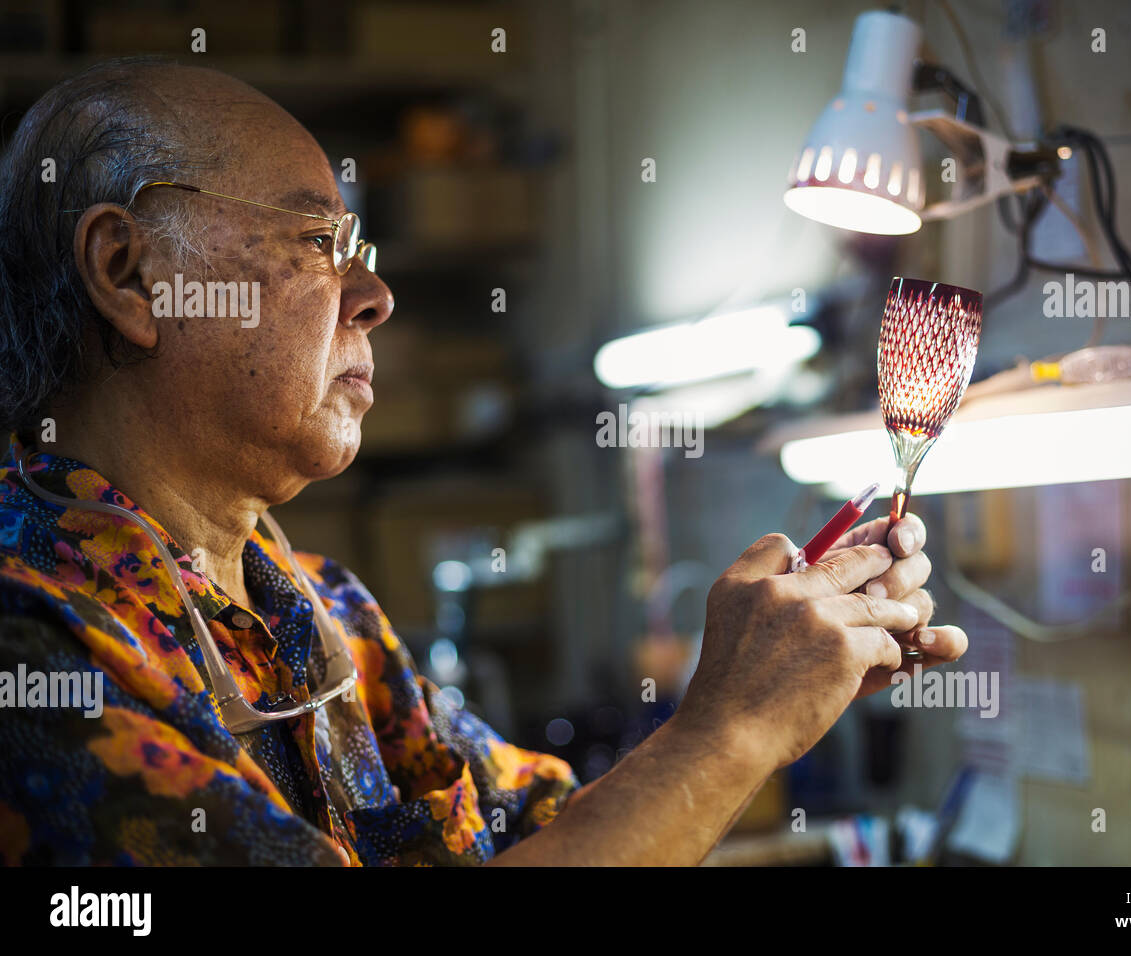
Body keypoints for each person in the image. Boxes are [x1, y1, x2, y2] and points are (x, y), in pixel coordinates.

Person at [0, 58, 967, 866]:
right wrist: (729, 731)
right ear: (130, 274)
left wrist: (776, 683)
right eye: (317, 241)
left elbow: (534, 832)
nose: (374, 294)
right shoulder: (31, 642)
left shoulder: (326, 613)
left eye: (361, 246)